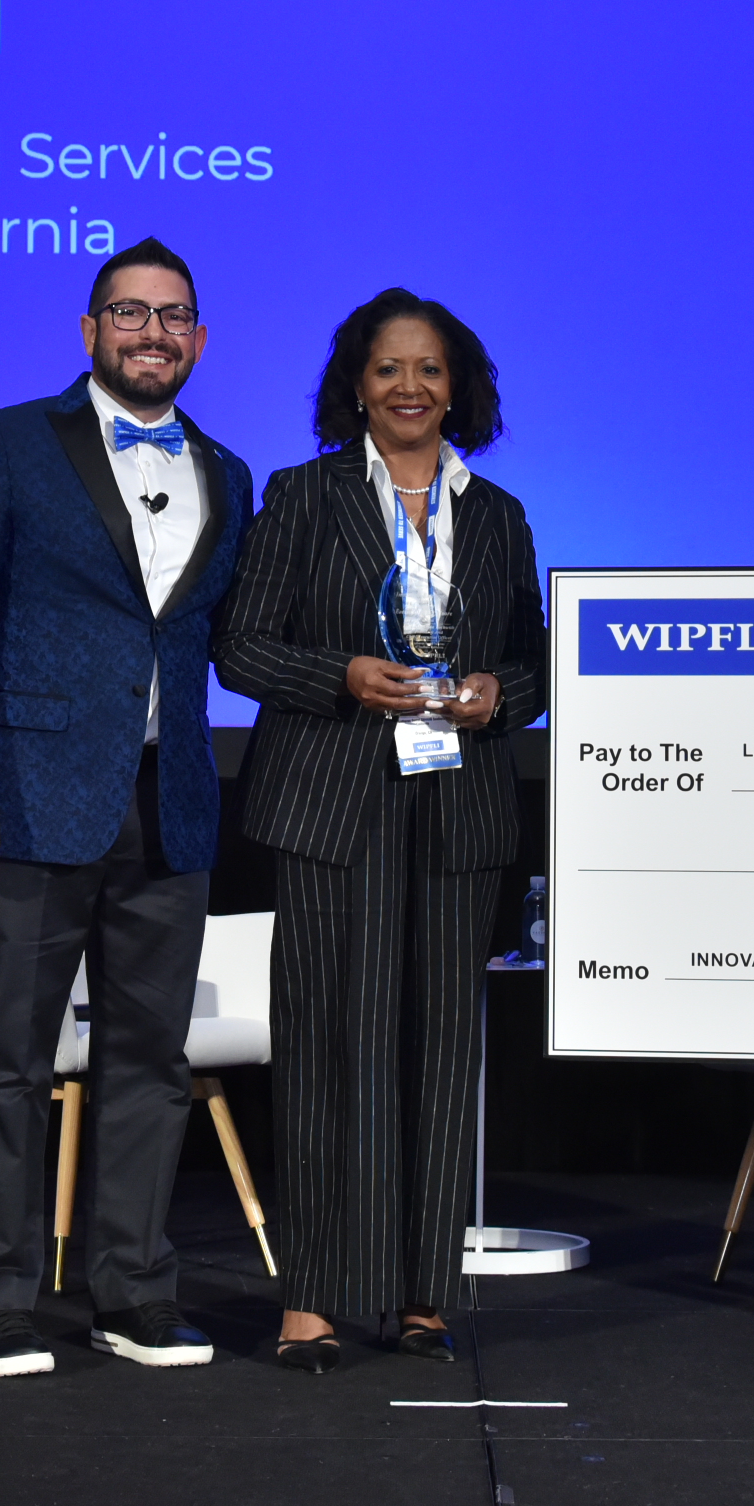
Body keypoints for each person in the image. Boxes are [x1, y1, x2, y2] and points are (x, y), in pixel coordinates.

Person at [0, 236, 253, 1379]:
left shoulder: (228, 472)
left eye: (171, 316)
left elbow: (216, 638)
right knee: (6, 1058)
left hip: (173, 806)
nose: (150, 332)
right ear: (89, 328)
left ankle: (133, 1293)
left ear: (197, 339)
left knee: (149, 1064)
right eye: (128, 312)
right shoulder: (5, 442)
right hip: (25, 800)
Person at [214, 289, 546, 1375]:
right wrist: (343, 678)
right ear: (354, 383)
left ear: (460, 389)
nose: (409, 388)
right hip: (328, 807)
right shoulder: (302, 497)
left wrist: (504, 690)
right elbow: (241, 650)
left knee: (441, 1053)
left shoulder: (494, 514)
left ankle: (422, 1296)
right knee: (322, 1049)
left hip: (458, 810)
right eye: (387, 368)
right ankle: (310, 1297)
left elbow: (537, 660)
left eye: (430, 370)